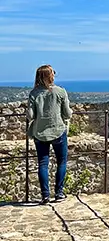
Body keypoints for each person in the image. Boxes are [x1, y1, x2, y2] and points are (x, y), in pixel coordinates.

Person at [27, 65, 72, 204]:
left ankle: (45, 196)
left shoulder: (34, 94)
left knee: (43, 164)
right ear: (49, 76)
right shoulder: (60, 91)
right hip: (58, 131)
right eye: (53, 73)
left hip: (40, 133)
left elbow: (30, 116)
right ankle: (59, 193)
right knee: (62, 162)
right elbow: (67, 113)